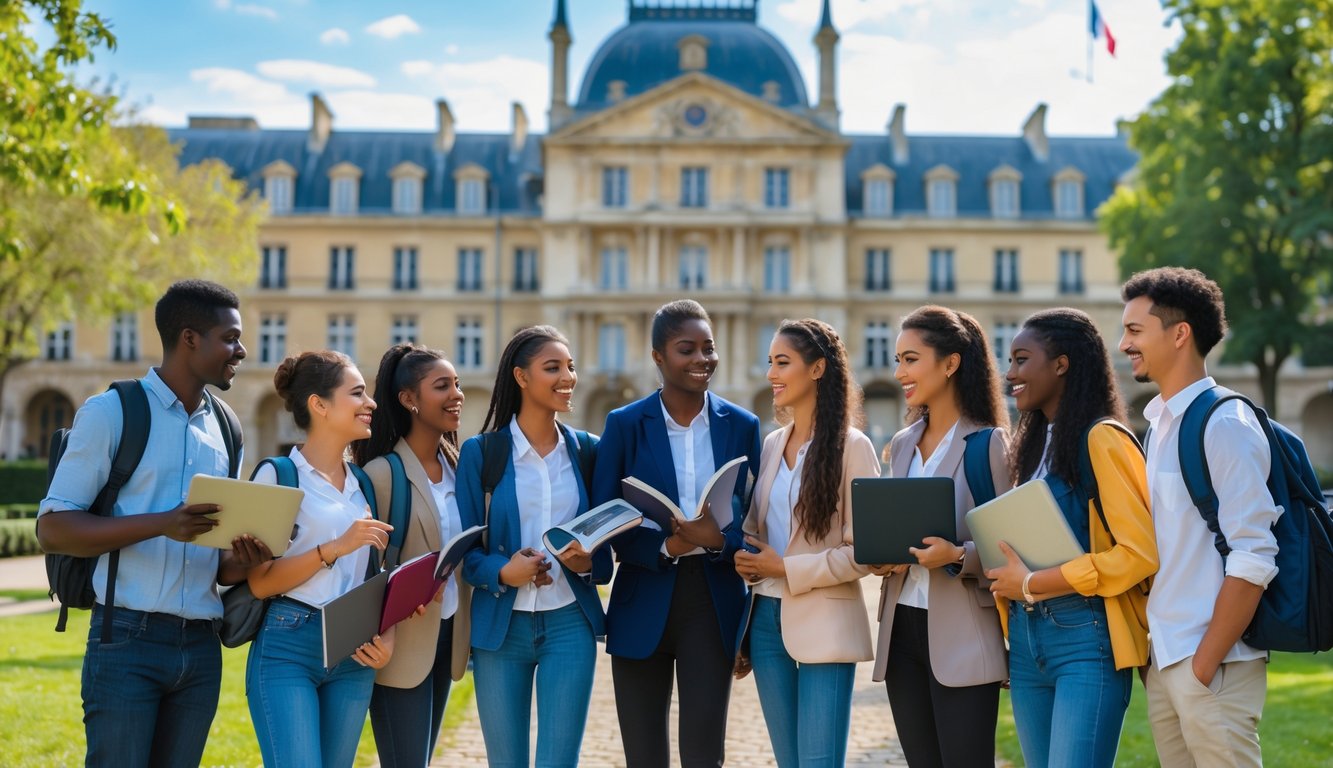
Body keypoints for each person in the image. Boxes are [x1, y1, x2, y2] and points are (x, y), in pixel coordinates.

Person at [37, 279, 266, 767]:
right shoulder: (111, 412)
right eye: (230, 337)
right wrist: (162, 523)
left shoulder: (228, 428)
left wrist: (243, 559)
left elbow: (218, 565)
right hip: (124, 640)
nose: (241, 350)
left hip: (202, 646)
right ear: (189, 339)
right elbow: (53, 528)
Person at [1120, 267, 1279, 767]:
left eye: (1135, 330)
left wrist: (1203, 663)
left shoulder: (1224, 423)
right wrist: (1162, 665)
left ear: (1180, 333)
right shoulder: (1160, 426)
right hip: (1166, 658)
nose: (1123, 343)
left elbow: (1254, 555)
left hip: (1213, 663)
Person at [592, 300, 761, 768]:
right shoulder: (624, 425)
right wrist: (666, 545)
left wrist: (716, 540)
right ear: (658, 357)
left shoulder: (743, 426)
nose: (702, 359)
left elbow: (754, 522)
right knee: (644, 756)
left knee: (705, 754)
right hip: (641, 596)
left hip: (713, 601)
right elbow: (605, 517)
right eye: (687, 349)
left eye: (709, 348)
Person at [985, 308, 1157, 768]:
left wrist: (1034, 583)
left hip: (1086, 639)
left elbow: (1138, 555)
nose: (1010, 373)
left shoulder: (1103, 438)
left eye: (1022, 360)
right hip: (1025, 641)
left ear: (1061, 364)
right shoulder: (1035, 442)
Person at [457, 325, 611, 767]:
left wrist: (586, 562)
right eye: (553, 368)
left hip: (570, 626)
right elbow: (465, 555)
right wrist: (504, 571)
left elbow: (604, 556)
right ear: (521, 377)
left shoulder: (587, 451)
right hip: (501, 631)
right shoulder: (481, 453)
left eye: (571, 366)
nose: (568, 377)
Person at [732, 318, 879, 768]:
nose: (771, 373)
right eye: (771, 362)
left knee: (817, 761)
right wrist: (744, 552)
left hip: (827, 621)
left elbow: (867, 551)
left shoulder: (854, 447)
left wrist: (786, 569)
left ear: (817, 369)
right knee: (788, 761)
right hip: (765, 621)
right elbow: (759, 529)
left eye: (782, 362)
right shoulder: (772, 444)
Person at [869, 305, 1011, 768]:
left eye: (911, 359)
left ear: (950, 363)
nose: (899, 372)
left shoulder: (990, 444)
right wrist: (884, 553)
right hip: (903, 628)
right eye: (898, 359)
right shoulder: (903, 443)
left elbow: (1012, 549)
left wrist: (957, 556)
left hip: (964, 632)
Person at [244, 350, 398, 768]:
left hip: (354, 653)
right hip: (287, 648)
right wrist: (335, 548)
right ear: (320, 405)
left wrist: (388, 637)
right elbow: (259, 583)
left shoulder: (363, 484)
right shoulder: (276, 476)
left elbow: (374, 576)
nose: (371, 404)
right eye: (358, 393)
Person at [353, 344, 472, 768]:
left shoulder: (461, 468)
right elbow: (364, 569)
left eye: (457, 384)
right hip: (398, 646)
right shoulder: (382, 473)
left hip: (447, 637)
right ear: (409, 400)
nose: (457, 393)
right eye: (443, 386)